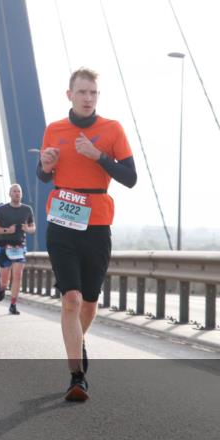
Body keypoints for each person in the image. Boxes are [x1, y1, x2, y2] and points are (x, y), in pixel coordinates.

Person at [38, 67, 137, 402]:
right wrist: (46, 165)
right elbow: (42, 176)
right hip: (62, 223)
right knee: (71, 299)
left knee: (90, 303)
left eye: (93, 93)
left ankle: (77, 340)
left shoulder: (112, 129)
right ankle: (77, 377)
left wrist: (99, 157)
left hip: (96, 224)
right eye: (81, 92)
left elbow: (130, 177)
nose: (87, 98)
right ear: (70, 95)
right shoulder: (54, 129)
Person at [0, 184, 36, 315]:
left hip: (20, 247)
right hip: (4, 247)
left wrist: (28, 229)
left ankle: (13, 304)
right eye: (14, 191)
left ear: (21, 194)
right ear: (10, 194)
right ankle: (2, 289)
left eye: (19, 191)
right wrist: (6, 230)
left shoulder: (27, 209)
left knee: (18, 276)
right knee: (5, 280)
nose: (17, 193)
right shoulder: (3, 210)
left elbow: (33, 227)